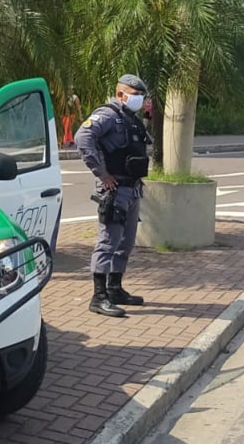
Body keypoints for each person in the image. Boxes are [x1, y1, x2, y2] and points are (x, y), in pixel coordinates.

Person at [74, 74, 151, 318]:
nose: (139, 100)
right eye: (135, 95)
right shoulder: (107, 115)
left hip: (132, 188)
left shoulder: (130, 118)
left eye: (141, 96)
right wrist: (101, 173)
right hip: (114, 189)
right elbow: (82, 138)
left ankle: (115, 289)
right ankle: (98, 297)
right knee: (108, 242)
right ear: (120, 94)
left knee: (125, 243)